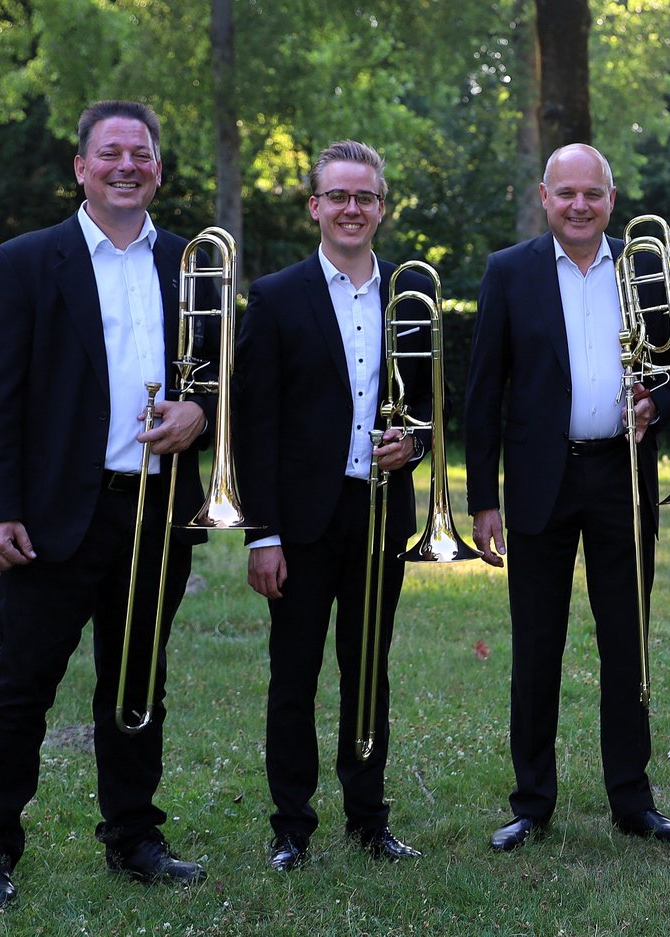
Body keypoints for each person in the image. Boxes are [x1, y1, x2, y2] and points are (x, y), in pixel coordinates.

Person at [0, 100, 211, 910]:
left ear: (160, 170)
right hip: (51, 515)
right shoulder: (27, 262)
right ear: (81, 168)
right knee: (21, 685)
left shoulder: (191, 263)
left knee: (137, 684)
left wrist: (199, 414)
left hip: (155, 512)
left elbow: (215, 380)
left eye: (142, 153)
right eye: (111, 153)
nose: (127, 165)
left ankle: (134, 838)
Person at [464, 143, 670, 851]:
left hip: (621, 478)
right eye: (565, 193)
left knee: (628, 644)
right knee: (537, 647)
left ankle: (634, 800)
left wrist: (656, 402)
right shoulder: (510, 272)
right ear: (544, 196)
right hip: (540, 481)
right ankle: (533, 803)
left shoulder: (646, 264)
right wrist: (482, 500)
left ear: (611, 199)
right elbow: (482, 393)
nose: (579, 205)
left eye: (592, 193)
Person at [234, 139, 429, 871]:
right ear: (316, 206)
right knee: (295, 673)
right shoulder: (277, 295)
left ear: (382, 206)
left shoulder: (411, 295)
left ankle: (368, 818)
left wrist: (413, 444)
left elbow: (429, 407)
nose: (353, 208)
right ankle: (292, 826)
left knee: (368, 667)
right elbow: (256, 425)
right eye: (338, 196)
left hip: (380, 513)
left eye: (366, 196)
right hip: (302, 521)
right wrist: (264, 534)